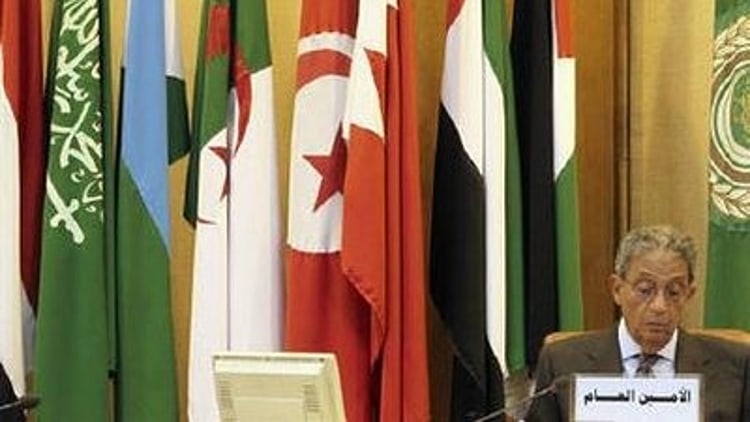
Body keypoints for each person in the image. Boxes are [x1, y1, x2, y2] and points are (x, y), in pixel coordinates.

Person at [526, 225, 750, 421]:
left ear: (689, 294)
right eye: (645, 290)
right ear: (617, 289)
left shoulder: (736, 365)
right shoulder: (562, 362)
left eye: (673, 292)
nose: (660, 306)